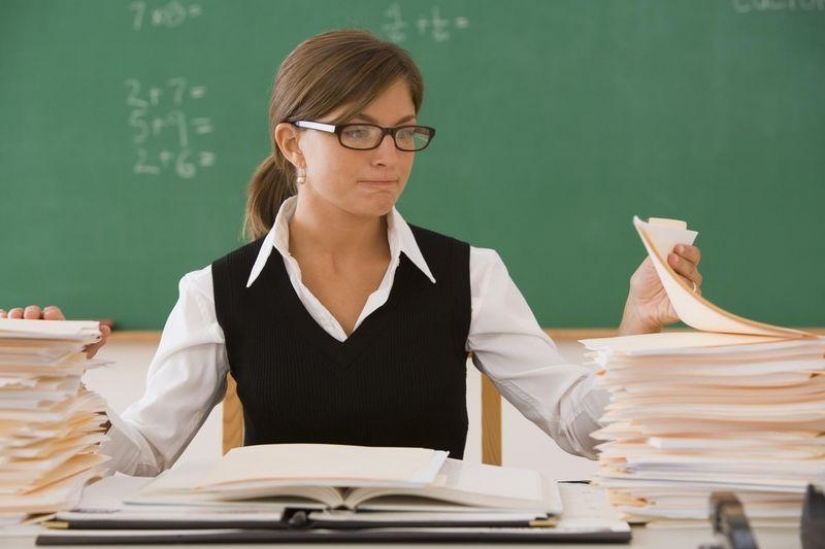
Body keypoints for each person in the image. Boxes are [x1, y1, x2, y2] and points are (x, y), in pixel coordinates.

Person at [1, 29, 702, 476]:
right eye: (357, 132)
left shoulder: (471, 275)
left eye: (403, 132)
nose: (388, 155)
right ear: (292, 144)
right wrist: (52, 384)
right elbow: (143, 454)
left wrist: (636, 323)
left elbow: (583, 430)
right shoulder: (214, 291)